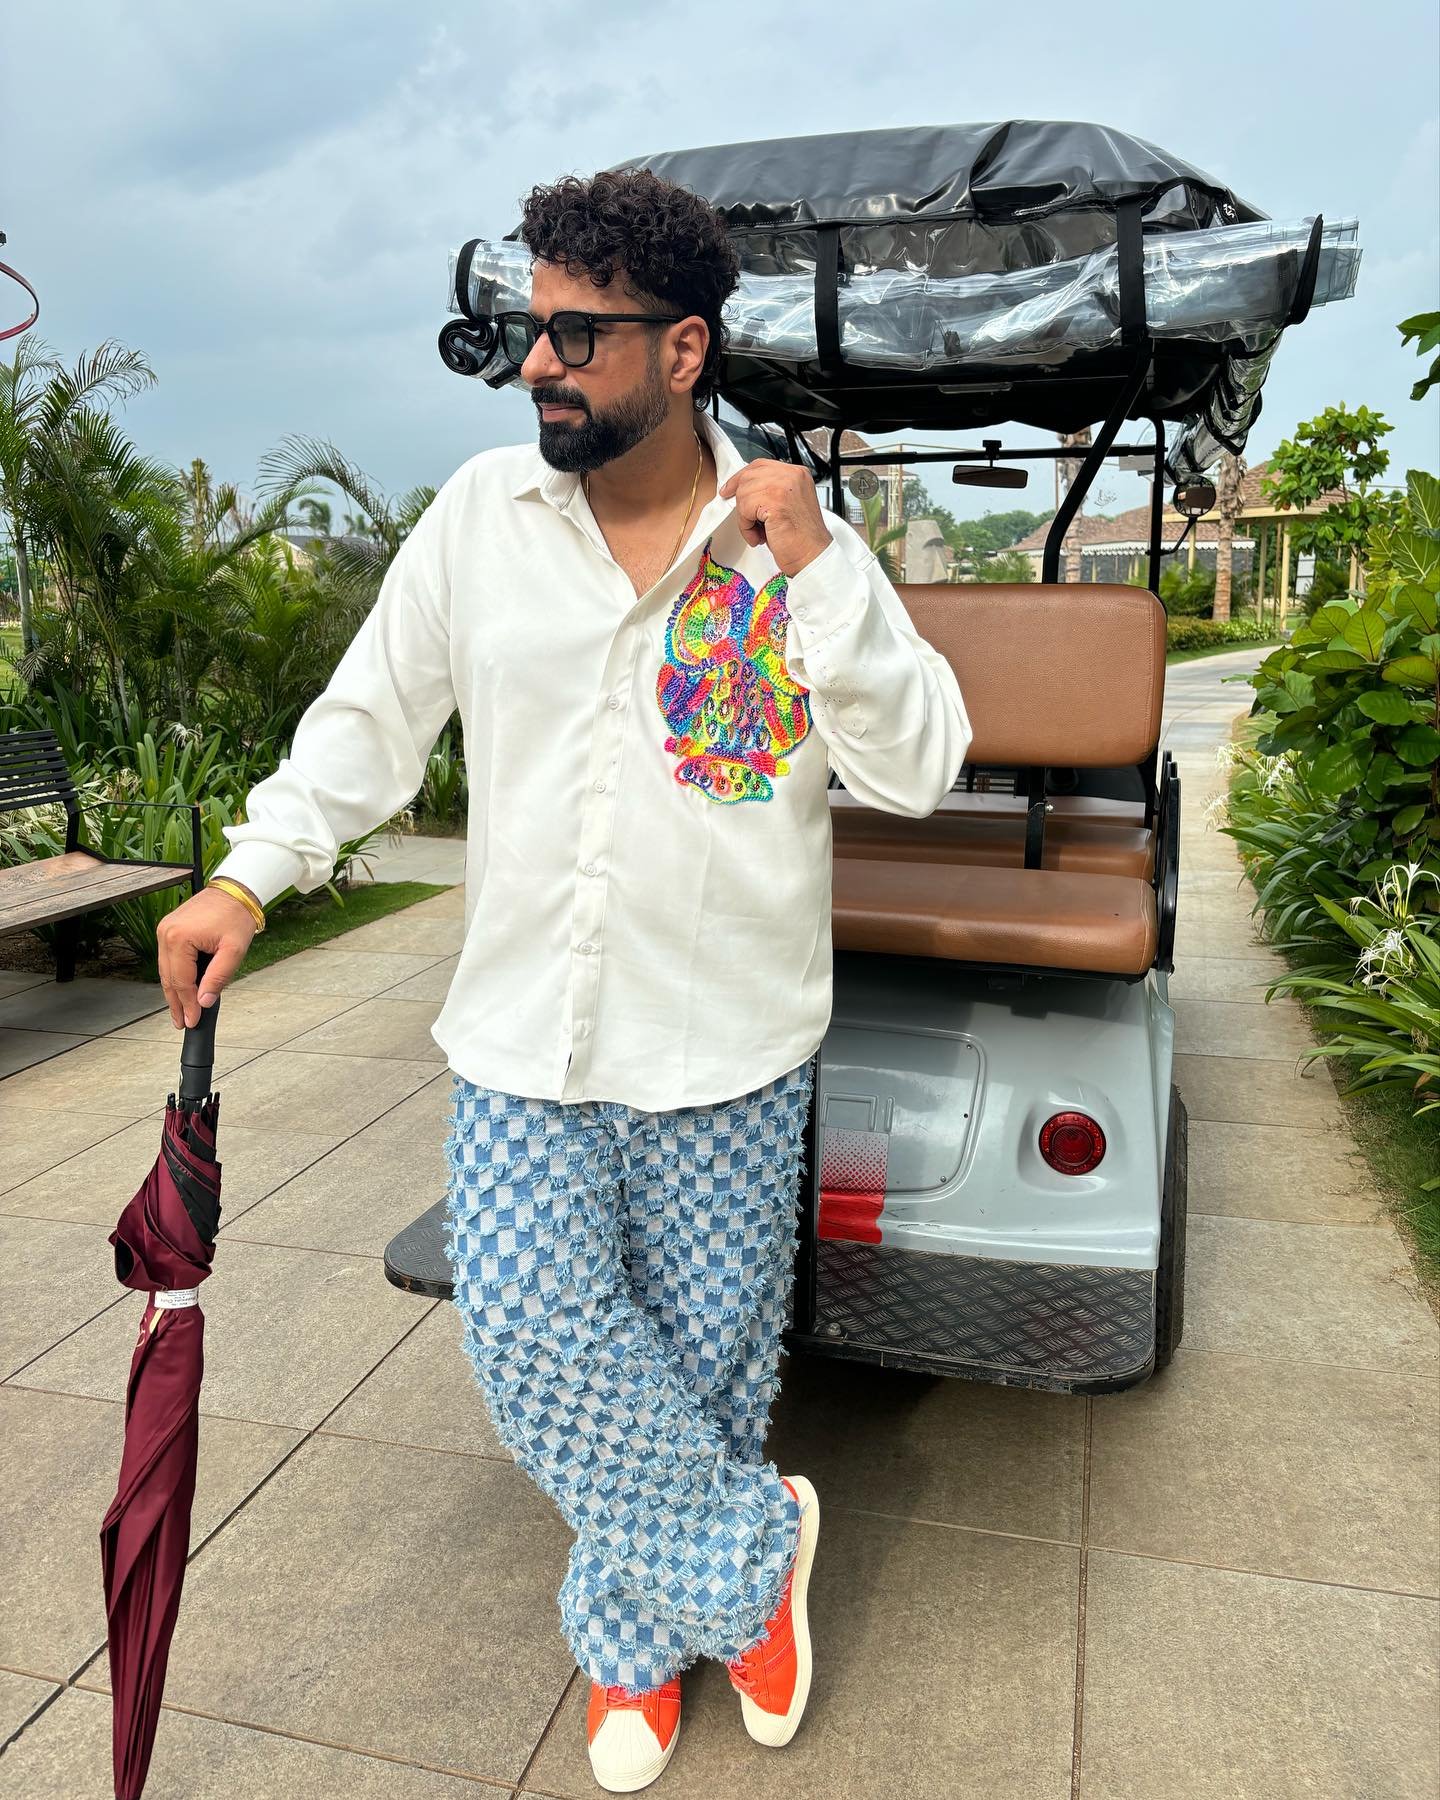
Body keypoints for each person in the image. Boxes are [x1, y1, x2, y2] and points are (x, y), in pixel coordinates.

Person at [157, 166, 972, 1793]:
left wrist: (820, 574)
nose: (538, 363)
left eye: (577, 335)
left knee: (705, 1370)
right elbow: (371, 721)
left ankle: (631, 1655)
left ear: (683, 349)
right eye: (530, 329)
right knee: (530, 1336)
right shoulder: (481, 520)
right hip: (527, 1033)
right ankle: (757, 1563)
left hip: (731, 1040)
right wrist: (253, 872)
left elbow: (920, 766)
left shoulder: (790, 544)